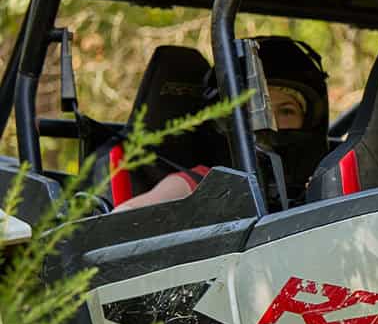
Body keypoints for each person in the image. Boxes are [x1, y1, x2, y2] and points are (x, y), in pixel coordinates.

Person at [115, 36, 329, 210]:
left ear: (308, 121)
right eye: (254, 110)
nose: (271, 123)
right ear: (225, 120)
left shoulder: (325, 183)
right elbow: (124, 219)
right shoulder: (203, 183)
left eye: (286, 111)